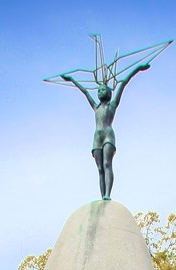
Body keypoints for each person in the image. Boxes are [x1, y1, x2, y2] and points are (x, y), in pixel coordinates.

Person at [61, 63, 150, 199]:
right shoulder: (96, 107)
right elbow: (84, 91)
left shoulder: (112, 105)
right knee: (100, 169)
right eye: (98, 91)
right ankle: (103, 195)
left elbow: (124, 83)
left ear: (109, 93)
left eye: (103, 90)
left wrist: (138, 69)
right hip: (97, 137)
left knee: (107, 164)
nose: (99, 92)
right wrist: (72, 79)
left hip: (108, 135)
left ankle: (107, 194)